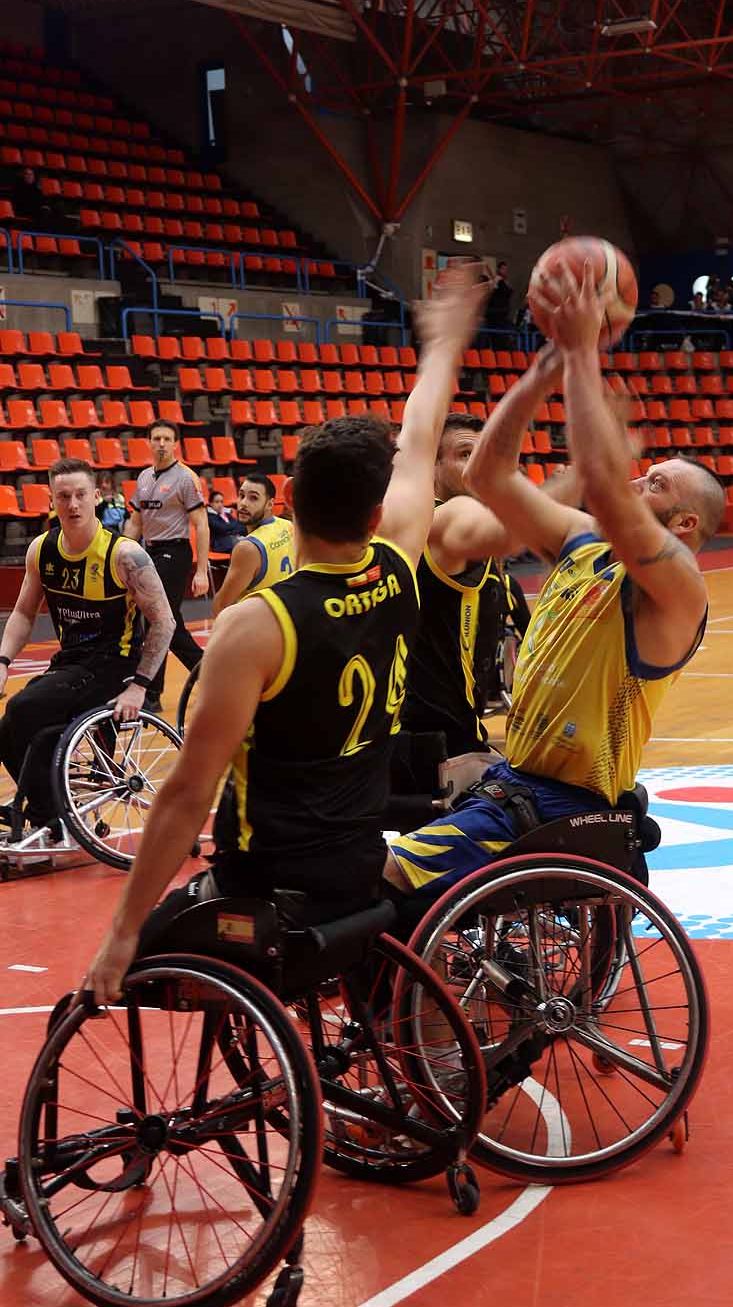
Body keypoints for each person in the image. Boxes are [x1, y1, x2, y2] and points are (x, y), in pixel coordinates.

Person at [82, 262, 488, 1006]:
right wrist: (443, 346)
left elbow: (185, 796)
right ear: (376, 514)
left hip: (266, 885)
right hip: (361, 865)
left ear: (289, 498)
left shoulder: (256, 626)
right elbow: (421, 433)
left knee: (119, 979)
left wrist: (121, 933)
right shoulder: (400, 567)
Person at [384, 256, 722, 904]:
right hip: (515, 782)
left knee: (378, 879)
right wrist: (546, 368)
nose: (637, 480)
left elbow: (603, 482)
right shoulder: (583, 541)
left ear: (684, 523)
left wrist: (582, 354)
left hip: (565, 804)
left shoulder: (678, 585)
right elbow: (487, 475)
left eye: (656, 483)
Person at [0, 458, 175, 839]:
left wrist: (140, 686)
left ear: (97, 496)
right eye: (64, 496)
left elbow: (164, 621)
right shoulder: (42, 550)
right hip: (72, 664)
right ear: (52, 500)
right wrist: (3, 662)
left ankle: (52, 816)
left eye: (81, 495)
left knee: (23, 709)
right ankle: (53, 808)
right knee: (9, 731)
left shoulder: (124, 555)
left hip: (115, 664)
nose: (73, 504)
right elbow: (24, 613)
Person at [398, 412, 577, 766]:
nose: (478, 467)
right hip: (433, 742)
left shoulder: (435, 521)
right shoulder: (448, 515)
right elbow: (517, 528)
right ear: (431, 465)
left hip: (441, 730)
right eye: (465, 455)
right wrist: (585, 474)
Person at [125, 420, 209, 712]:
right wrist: (120, 553)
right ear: (149, 442)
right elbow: (135, 522)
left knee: (156, 619)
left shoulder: (185, 478)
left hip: (175, 552)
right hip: (150, 552)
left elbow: (201, 523)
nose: (161, 443)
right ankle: (211, 674)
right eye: (156, 438)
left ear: (175, 444)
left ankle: (151, 693)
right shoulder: (144, 477)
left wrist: (201, 570)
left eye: (167, 438)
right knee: (172, 625)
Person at [212, 474, 294, 614]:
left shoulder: (248, 548)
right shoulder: (288, 525)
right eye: (241, 495)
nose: (243, 503)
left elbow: (220, 607)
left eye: (253, 498)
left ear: (270, 504)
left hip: (260, 622)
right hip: (290, 616)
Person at [206, 489, 242, 555]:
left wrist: (229, 529)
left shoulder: (226, 514)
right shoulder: (210, 517)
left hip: (232, 540)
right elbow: (222, 528)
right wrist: (232, 528)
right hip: (220, 545)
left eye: (221, 502)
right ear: (211, 503)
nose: (220, 504)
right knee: (243, 546)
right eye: (217, 502)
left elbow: (239, 525)